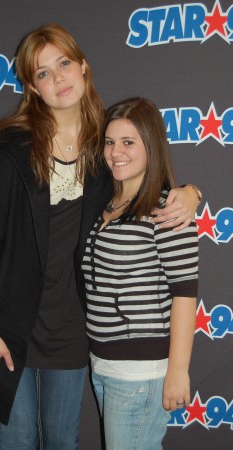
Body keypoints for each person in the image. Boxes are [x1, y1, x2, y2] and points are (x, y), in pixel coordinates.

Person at [0, 24, 200, 450]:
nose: (58, 78)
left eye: (63, 63)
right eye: (42, 73)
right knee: (16, 438)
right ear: (32, 87)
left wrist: (191, 193)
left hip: (73, 331)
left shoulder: (107, 147)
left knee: (64, 439)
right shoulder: (11, 149)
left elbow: (148, 180)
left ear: (83, 67)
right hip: (9, 326)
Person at [81, 97, 199, 450]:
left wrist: (178, 370)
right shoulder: (106, 203)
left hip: (140, 374)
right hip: (103, 366)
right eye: (110, 141)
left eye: (129, 142)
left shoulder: (166, 210)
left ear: (152, 146)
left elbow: (184, 295)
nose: (116, 152)